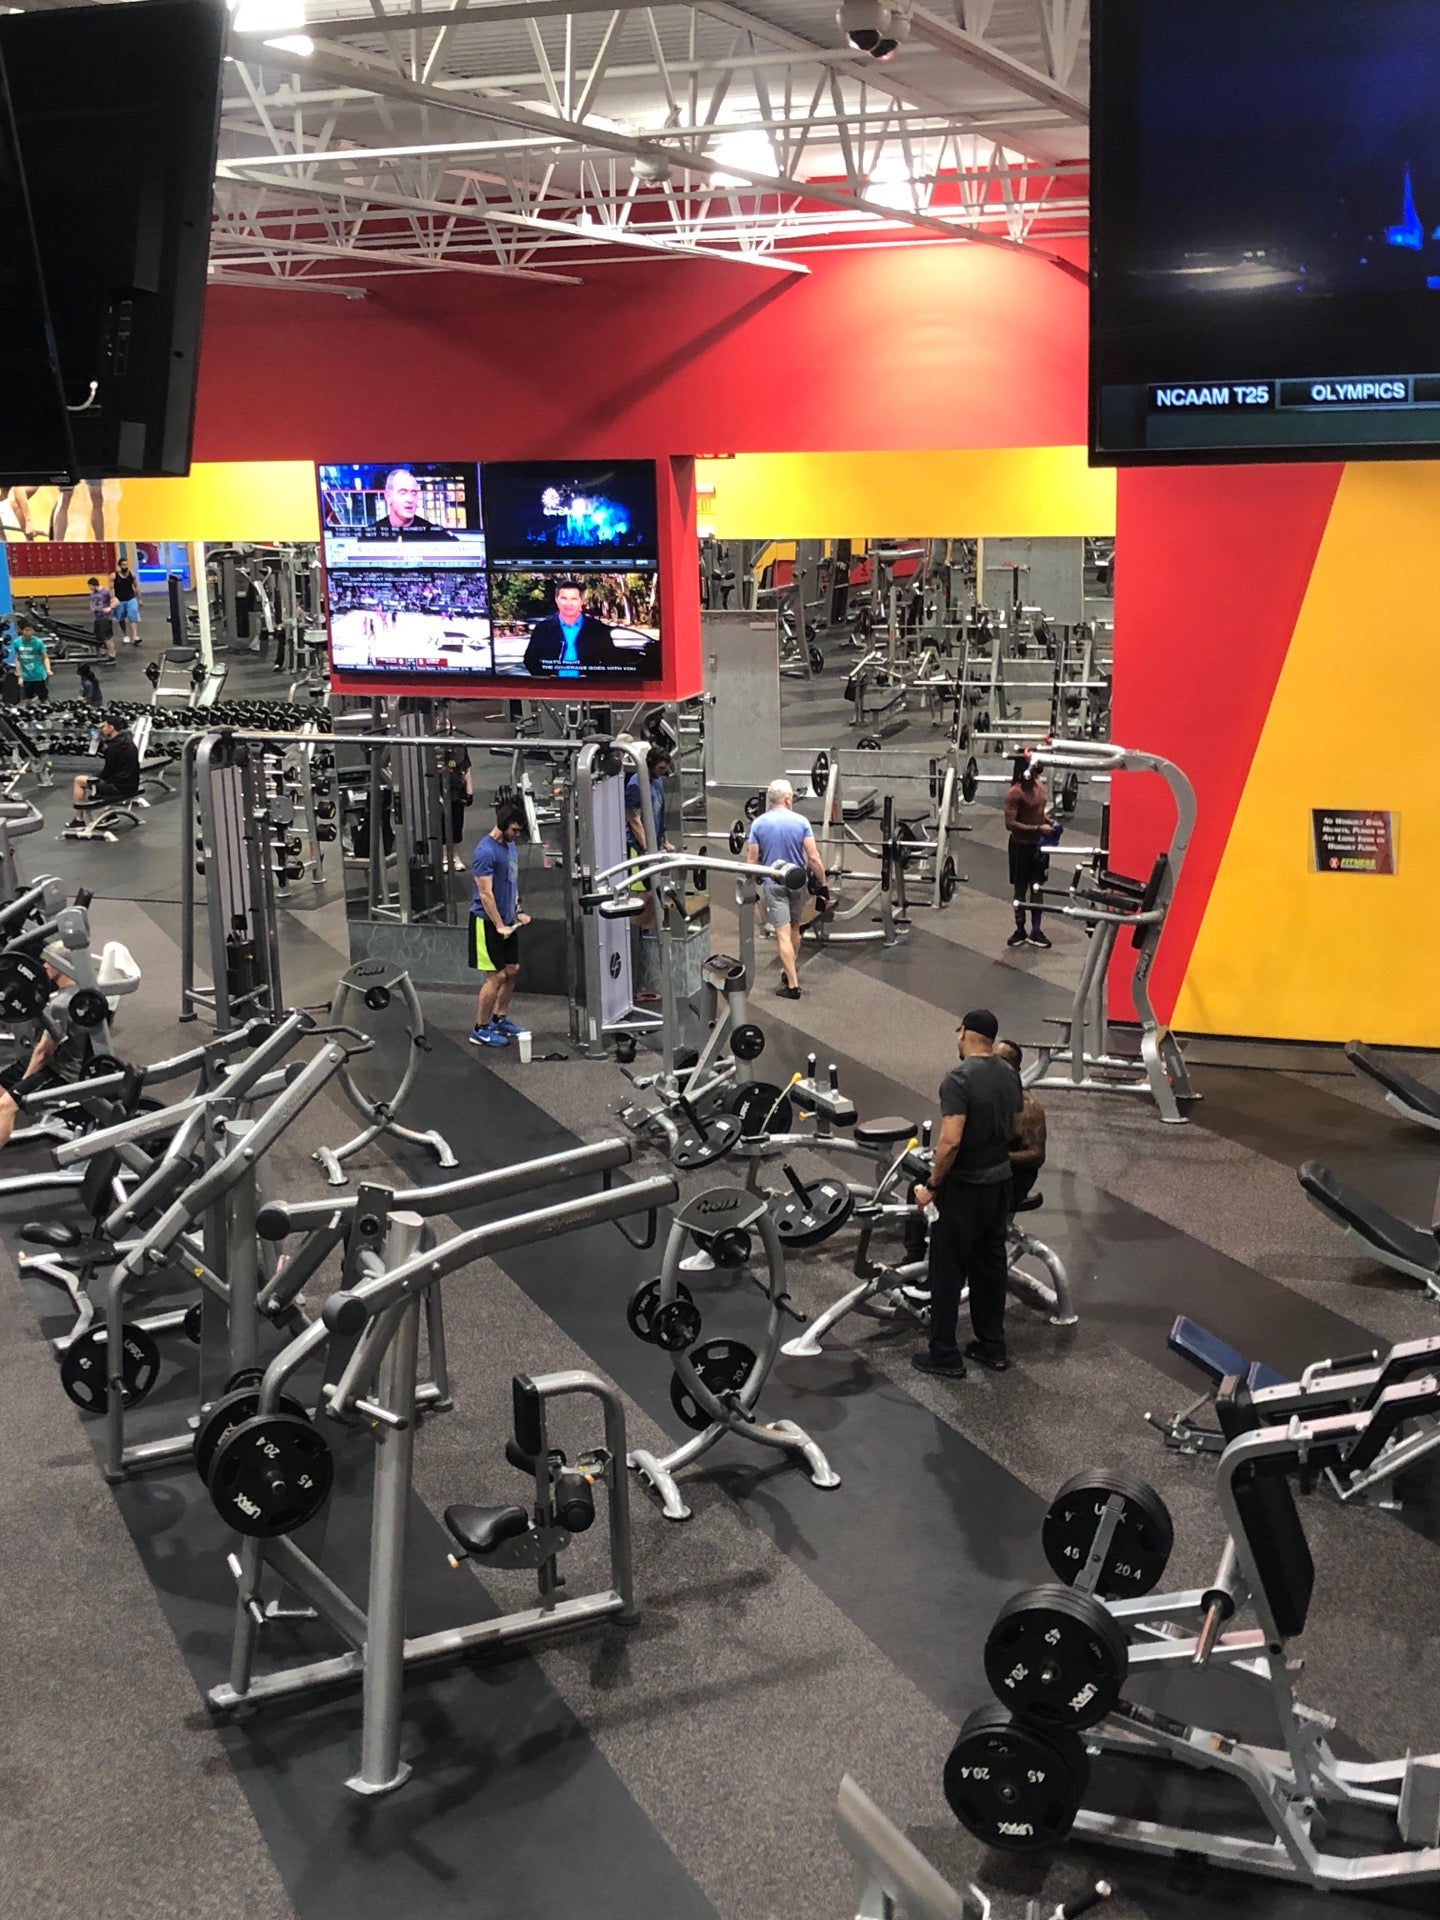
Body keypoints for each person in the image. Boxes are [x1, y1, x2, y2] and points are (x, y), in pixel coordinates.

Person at [911, 1010, 1023, 1380]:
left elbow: (950, 1141)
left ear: (964, 1034)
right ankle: (992, 1346)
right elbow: (1015, 1128)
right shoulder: (1009, 1074)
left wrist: (932, 1185)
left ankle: (945, 1354)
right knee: (990, 1266)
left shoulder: (958, 1079)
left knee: (947, 1269)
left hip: (964, 1189)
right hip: (1000, 1183)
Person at [744, 778, 827, 1000]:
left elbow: (751, 860)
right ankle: (789, 969)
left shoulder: (758, 824)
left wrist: (749, 885)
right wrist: (823, 885)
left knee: (782, 934)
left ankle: (792, 986)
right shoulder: (801, 822)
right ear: (789, 799)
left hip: (774, 884)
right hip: (797, 882)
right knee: (795, 928)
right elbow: (814, 858)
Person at [469, 800, 530, 1048]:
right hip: (486, 922)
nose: (517, 835)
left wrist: (518, 911)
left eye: (520, 831)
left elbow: (511, 881)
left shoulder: (510, 846)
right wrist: (498, 925)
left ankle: (499, 1018)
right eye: (514, 830)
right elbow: (485, 894)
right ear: (503, 825)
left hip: (507, 919)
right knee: (496, 976)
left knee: (512, 970)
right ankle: (480, 1029)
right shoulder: (485, 852)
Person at [0, 958, 76, 1151]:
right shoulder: (72, 992)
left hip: (63, 1070)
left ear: (62, 966)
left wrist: (21, 1085)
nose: (44, 965)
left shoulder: (61, 1004)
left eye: (49, 962)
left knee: (6, 1105)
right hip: (55, 1058)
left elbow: (44, 1053)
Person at [625, 745, 673, 1005]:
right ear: (651, 764)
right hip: (637, 851)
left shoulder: (658, 783)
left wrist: (663, 841)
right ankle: (635, 966)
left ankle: (646, 938)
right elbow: (634, 819)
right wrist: (647, 847)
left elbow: (659, 815)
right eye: (661, 768)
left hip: (651, 848)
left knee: (654, 898)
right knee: (642, 900)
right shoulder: (636, 784)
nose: (664, 772)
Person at [523, 582, 626, 677]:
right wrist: (546, 677)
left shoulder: (597, 629)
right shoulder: (543, 629)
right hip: (552, 687)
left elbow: (610, 661)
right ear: (556, 600)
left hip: (589, 688)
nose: (569, 603)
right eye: (564, 598)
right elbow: (530, 660)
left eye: (574, 599)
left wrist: (593, 679)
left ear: (581, 601)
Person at [1004, 753, 1053, 950]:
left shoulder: (1038, 784)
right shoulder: (1014, 793)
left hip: (1038, 846)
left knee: (1037, 888)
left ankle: (1036, 930)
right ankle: (1020, 929)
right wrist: (1038, 828)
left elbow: (1038, 813)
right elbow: (1009, 824)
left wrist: (1049, 823)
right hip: (1020, 846)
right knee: (1020, 889)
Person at [995, 1039, 1047, 1209]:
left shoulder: (1028, 1106)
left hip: (1013, 1178)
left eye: (1003, 1061)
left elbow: (1037, 1155)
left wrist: (998, 1156)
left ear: (1016, 1070)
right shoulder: (985, 1093)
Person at [68, 716, 140, 829]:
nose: (102, 728)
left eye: (105, 726)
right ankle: (109, 814)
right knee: (103, 780)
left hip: (120, 788)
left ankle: (78, 820)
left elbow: (107, 771)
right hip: (132, 784)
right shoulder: (128, 742)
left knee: (79, 780)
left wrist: (93, 779)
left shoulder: (113, 747)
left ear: (112, 727)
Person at [367, 468, 444, 537]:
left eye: (413, 493)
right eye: (403, 493)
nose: (410, 499)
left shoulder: (435, 535)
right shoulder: (371, 536)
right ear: (388, 496)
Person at [438, 736, 473, 874]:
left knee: (457, 825)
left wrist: (469, 792)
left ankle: (456, 857)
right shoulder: (435, 748)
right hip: (440, 791)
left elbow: (466, 770)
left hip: (457, 792)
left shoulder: (460, 748)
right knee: (442, 826)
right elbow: (448, 766)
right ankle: (445, 858)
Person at [13, 618, 50, 701]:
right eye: (27, 630)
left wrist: (48, 669)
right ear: (22, 630)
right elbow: (18, 659)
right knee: (28, 699)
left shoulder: (38, 642)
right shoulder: (17, 642)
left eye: (31, 630)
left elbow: (45, 657)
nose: (29, 633)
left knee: (44, 698)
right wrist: (20, 676)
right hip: (26, 677)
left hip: (39, 676)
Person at [111, 557, 141, 646]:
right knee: (121, 618)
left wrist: (139, 599)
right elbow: (111, 589)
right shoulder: (114, 576)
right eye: (123, 565)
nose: (125, 566)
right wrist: (113, 599)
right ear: (120, 566)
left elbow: (136, 586)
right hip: (119, 600)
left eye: (126, 564)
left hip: (131, 598)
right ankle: (125, 635)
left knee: (133, 616)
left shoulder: (132, 574)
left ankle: (135, 636)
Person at [86, 576, 117, 661]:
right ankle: (102, 654)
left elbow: (116, 601)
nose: (89, 588)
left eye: (89, 586)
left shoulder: (105, 592)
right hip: (98, 618)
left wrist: (110, 608)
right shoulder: (92, 594)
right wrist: (92, 607)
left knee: (107, 638)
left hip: (105, 618)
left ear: (92, 585)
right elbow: (91, 602)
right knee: (98, 637)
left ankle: (112, 655)